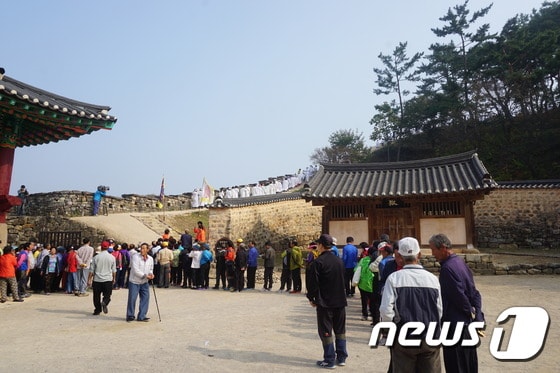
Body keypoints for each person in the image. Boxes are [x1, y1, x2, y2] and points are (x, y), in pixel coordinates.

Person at [380, 237, 442, 373]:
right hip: (429, 335)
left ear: (400, 256)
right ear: (419, 255)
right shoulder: (432, 279)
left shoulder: (394, 278)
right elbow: (439, 310)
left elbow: (386, 310)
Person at [430, 233, 484, 373]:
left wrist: (469, 312)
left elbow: (458, 296)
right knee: (468, 364)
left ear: (442, 248)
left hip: (455, 325)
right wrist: (475, 313)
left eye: (433, 250)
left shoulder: (447, 268)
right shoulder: (460, 263)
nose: (432, 254)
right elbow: (474, 292)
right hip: (465, 323)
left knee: (457, 365)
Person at [306, 234, 348, 369]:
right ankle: (341, 357)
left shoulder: (317, 263)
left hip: (325, 302)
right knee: (340, 330)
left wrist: (312, 298)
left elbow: (312, 284)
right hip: (340, 301)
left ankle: (329, 359)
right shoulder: (339, 261)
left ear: (321, 245)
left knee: (326, 331)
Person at [126, 243, 154, 322]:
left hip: (145, 282)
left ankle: (142, 315)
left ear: (148, 250)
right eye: (141, 248)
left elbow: (151, 268)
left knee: (145, 298)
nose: (142, 250)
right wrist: (145, 275)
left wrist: (151, 274)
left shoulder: (150, 259)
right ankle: (130, 315)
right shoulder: (135, 257)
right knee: (132, 299)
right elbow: (135, 270)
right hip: (134, 281)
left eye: (144, 248)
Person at [88, 240, 117, 315]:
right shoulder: (112, 258)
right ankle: (104, 302)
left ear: (101, 247)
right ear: (108, 247)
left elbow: (92, 270)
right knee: (107, 295)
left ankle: (97, 309)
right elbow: (114, 270)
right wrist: (114, 278)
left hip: (97, 279)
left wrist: (89, 279)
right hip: (107, 279)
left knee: (96, 296)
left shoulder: (96, 257)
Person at [351, 247, 374, 321]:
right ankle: (372, 314)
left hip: (362, 284)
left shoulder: (363, 260)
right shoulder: (376, 260)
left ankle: (364, 315)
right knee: (373, 300)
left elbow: (356, 269)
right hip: (372, 284)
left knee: (364, 300)